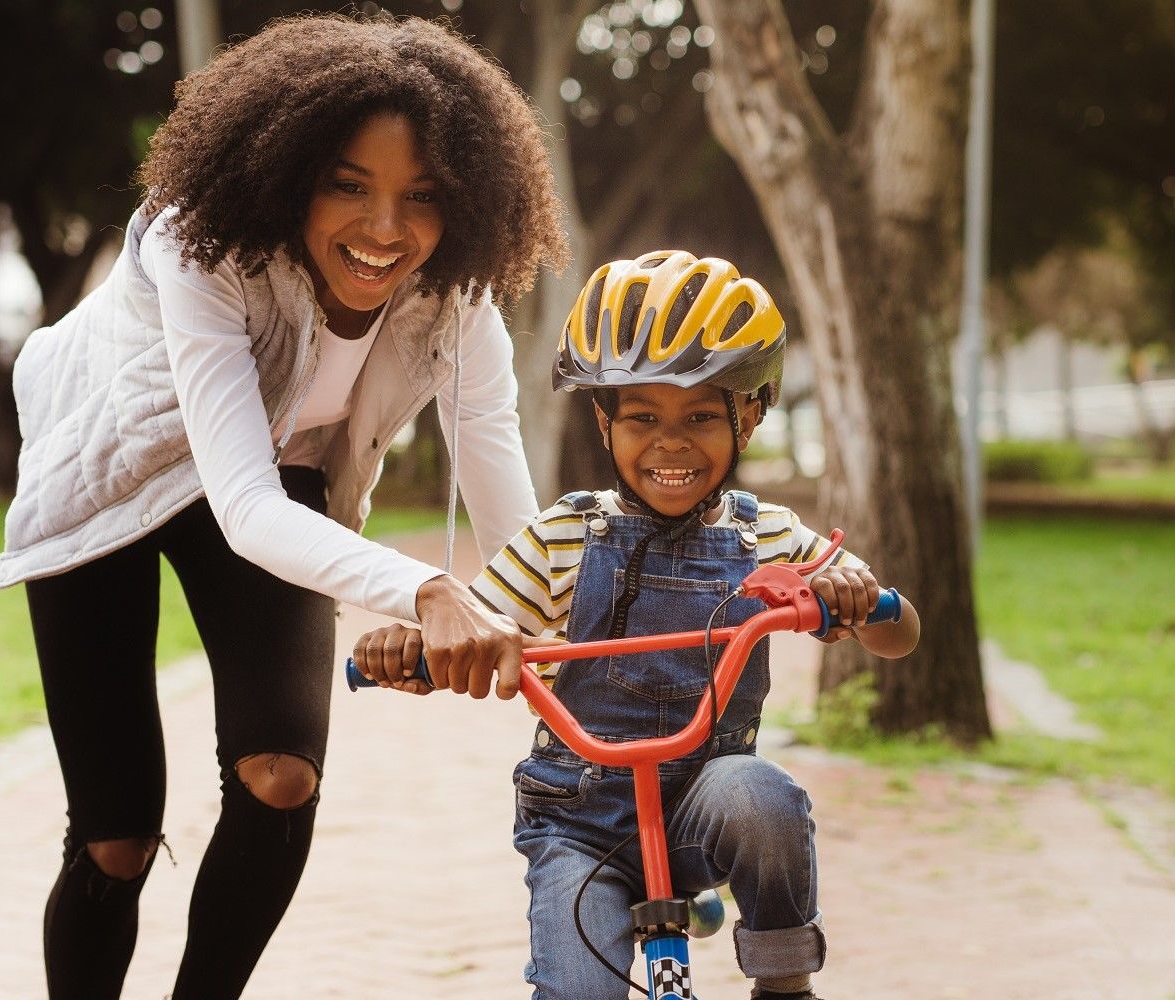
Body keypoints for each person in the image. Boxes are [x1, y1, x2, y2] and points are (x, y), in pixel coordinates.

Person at [0, 14, 565, 998]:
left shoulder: (454, 298)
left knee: (280, 773)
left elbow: (499, 477)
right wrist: (429, 589)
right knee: (117, 834)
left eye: (419, 198)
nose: (385, 229)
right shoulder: (196, 242)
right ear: (287, 169)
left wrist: (562, 615)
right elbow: (240, 505)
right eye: (348, 183)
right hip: (108, 476)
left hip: (277, 473)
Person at [353, 251, 922, 1000]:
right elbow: (481, 628)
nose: (672, 442)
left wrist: (859, 597)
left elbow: (898, 633)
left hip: (704, 810)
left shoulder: (770, 537)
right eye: (644, 417)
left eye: (701, 417)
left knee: (765, 795)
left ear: (748, 415)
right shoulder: (566, 535)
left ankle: (785, 983)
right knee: (578, 991)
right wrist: (415, 651)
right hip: (582, 824)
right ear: (604, 420)